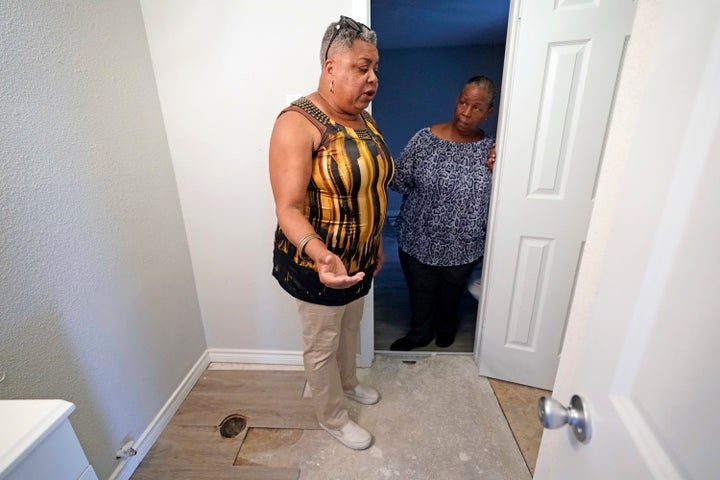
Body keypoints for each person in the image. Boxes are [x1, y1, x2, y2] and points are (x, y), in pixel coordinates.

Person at [269, 16, 393, 450]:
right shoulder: (298, 122)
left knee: (349, 329)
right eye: (362, 68)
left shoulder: (364, 118)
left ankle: (349, 382)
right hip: (317, 263)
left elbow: (372, 186)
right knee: (322, 343)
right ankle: (332, 417)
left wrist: (375, 242)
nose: (373, 78)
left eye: (375, 68)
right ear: (330, 69)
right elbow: (288, 208)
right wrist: (322, 255)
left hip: (359, 259)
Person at [389, 75, 497, 351]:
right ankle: (419, 333)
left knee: (451, 292)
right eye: (463, 102)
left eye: (476, 107)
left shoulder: (494, 151)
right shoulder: (424, 140)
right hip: (418, 235)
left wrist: (503, 168)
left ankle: (447, 325)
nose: (466, 112)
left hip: (465, 243)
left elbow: (507, 197)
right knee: (421, 290)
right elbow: (399, 181)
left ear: (488, 113)